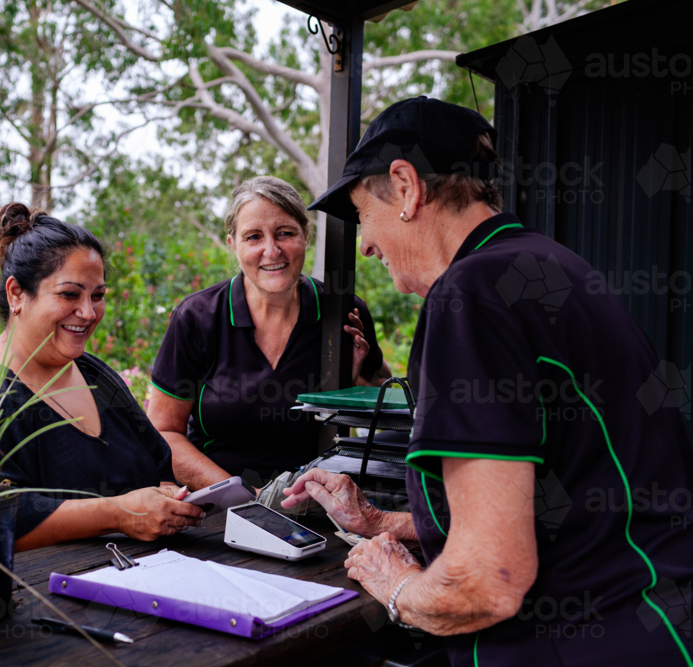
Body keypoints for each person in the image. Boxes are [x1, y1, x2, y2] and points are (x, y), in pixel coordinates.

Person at [285, 96, 693, 667]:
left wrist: (396, 587)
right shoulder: (549, 266)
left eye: (361, 214)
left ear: (405, 188)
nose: (367, 243)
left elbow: (486, 581)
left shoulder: (468, 295)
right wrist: (381, 524)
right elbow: (551, 506)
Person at [0, 203, 204, 576]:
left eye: (97, 295)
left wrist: (168, 500)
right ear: (17, 293)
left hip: (144, 585)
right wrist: (117, 513)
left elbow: (156, 465)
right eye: (69, 295)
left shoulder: (97, 376)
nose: (88, 312)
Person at [147, 176, 392, 490]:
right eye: (253, 237)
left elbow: (386, 395)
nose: (271, 250)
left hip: (316, 500)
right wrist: (246, 497)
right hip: (218, 502)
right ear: (232, 244)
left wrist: (353, 389)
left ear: (306, 234)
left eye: (285, 233)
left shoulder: (342, 312)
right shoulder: (197, 318)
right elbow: (164, 431)